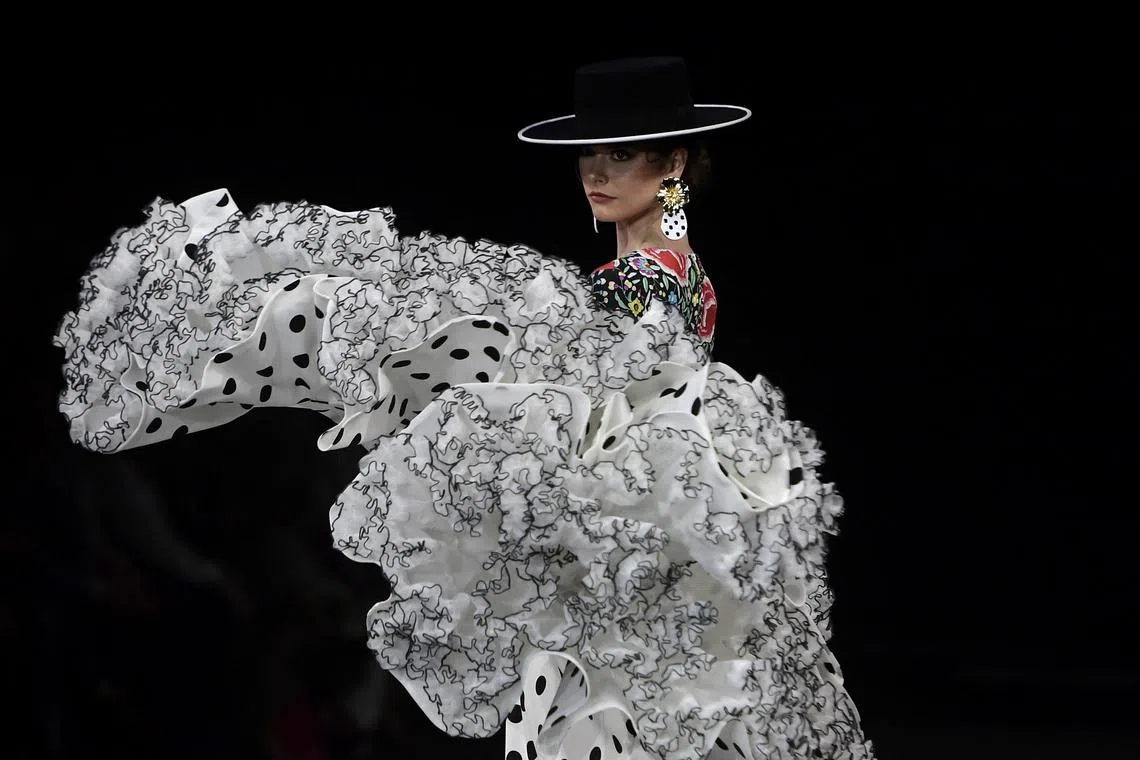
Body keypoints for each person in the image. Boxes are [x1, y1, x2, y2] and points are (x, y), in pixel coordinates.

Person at [54, 57, 874, 759]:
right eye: (589, 154)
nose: (595, 172)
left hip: (617, 539)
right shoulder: (666, 269)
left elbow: (617, 417)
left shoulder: (649, 280)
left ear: (674, 168)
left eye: (620, 155)